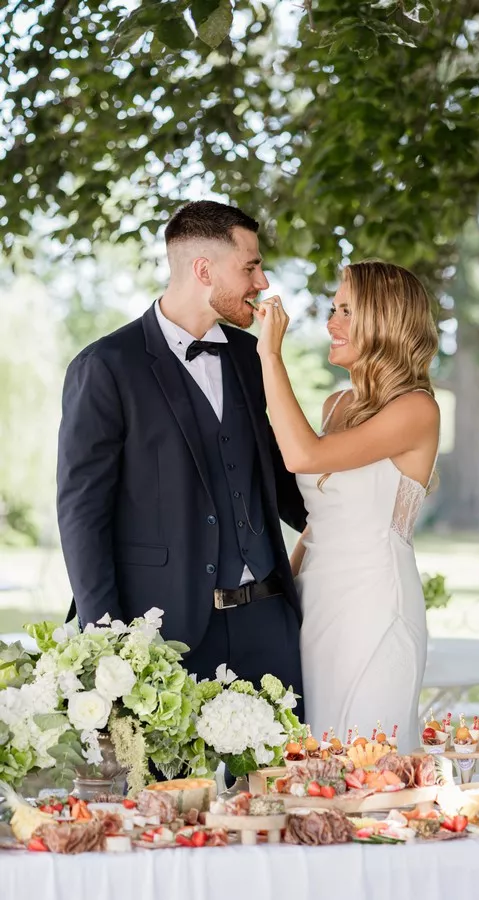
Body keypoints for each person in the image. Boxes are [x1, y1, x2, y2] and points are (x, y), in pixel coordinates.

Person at [57, 200, 306, 712]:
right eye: (251, 266)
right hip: (165, 632)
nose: (262, 283)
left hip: (269, 622)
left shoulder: (251, 356)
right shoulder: (106, 366)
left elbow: (284, 481)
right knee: (170, 794)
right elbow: (82, 513)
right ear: (203, 269)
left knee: (285, 787)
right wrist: (107, 640)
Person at [254, 260, 440, 751]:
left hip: (375, 603)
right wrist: (285, 596)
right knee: (314, 759)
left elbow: (302, 456)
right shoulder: (337, 405)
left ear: (385, 321)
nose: (331, 322)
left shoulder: (417, 409)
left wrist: (270, 356)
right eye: (333, 309)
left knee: (367, 765)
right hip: (318, 602)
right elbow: (319, 524)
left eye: (346, 311)